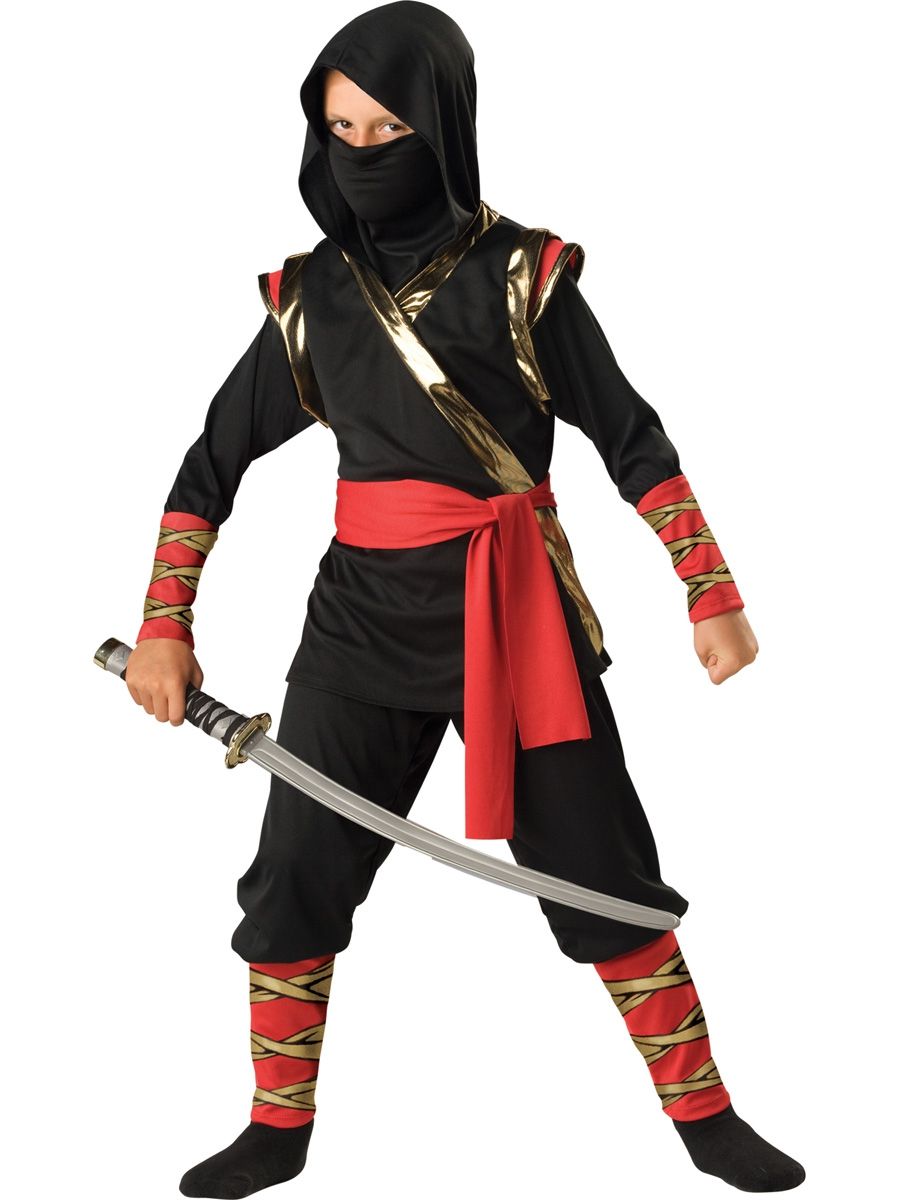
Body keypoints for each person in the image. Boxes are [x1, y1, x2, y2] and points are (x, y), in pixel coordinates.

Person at [123, 3, 805, 1196]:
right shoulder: (313, 298)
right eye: (339, 128)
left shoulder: (524, 276)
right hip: (360, 629)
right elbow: (209, 465)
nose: (361, 151)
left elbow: (633, 441)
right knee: (294, 878)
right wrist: (164, 625)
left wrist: (711, 590)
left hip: (517, 615)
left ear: (442, 124)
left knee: (604, 873)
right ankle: (277, 1128)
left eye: (387, 127)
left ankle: (705, 1117)